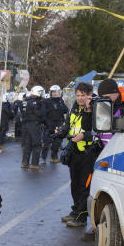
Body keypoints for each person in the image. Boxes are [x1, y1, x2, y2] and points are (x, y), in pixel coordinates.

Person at [62, 82, 96, 227]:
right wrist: (59, 132)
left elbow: (95, 131)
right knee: (75, 184)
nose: (80, 98)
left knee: (84, 186)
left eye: (83, 95)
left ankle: (82, 217)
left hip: (88, 154)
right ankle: (76, 211)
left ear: (90, 95)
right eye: (78, 95)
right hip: (74, 153)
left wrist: (88, 110)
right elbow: (68, 127)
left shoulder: (94, 109)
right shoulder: (74, 108)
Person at [19, 86, 46, 169]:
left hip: (26, 125)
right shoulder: (36, 102)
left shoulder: (25, 101)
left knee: (28, 144)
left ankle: (25, 163)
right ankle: (34, 164)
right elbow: (39, 113)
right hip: (34, 125)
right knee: (37, 144)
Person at [43, 85, 69, 163]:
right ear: (50, 93)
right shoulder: (46, 101)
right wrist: (45, 123)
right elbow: (43, 113)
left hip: (58, 123)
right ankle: (43, 158)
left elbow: (65, 110)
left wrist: (61, 102)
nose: (54, 94)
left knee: (57, 142)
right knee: (46, 142)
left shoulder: (60, 101)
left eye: (56, 92)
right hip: (49, 123)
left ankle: (54, 157)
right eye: (53, 92)